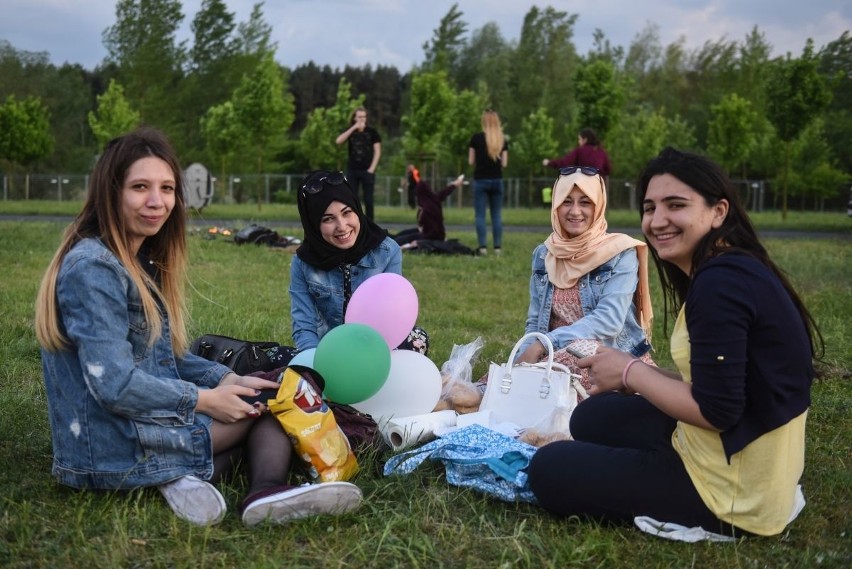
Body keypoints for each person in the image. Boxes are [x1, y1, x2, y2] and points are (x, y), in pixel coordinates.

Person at [34, 128, 363, 527]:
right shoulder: (94, 268)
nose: (157, 202)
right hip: (110, 447)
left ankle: (185, 478)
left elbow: (162, 358)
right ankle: (266, 492)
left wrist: (224, 376)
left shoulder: (137, 259)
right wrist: (204, 400)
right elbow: (115, 384)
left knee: (259, 387)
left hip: (135, 427)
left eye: (167, 188)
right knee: (267, 406)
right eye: (141, 187)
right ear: (111, 191)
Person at [528, 148, 822, 538]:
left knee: (547, 468)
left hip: (732, 493)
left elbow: (718, 410)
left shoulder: (720, 286)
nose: (658, 220)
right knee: (590, 416)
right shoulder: (730, 269)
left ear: (719, 211)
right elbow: (722, 380)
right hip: (728, 446)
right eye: (650, 207)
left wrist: (630, 372)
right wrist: (623, 371)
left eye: (676, 205)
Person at [497, 166, 655, 393]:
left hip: (606, 356)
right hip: (553, 353)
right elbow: (534, 321)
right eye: (566, 201)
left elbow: (608, 321)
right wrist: (525, 352)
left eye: (585, 202)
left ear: (598, 205)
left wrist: (544, 344)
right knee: (498, 386)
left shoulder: (620, 253)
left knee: (552, 381)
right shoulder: (544, 254)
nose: (575, 211)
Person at [290, 170, 429, 354]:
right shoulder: (303, 263)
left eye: (347, 213)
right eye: (328, 219)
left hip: (375, 345)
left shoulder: (387, 251)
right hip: (329, 350)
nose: (342, 226)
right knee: (281, 359)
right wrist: (314, 366)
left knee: (417, 339)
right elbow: (304, 326)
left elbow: (391, 316)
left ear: (357, 209)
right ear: (313, 224)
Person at [468, 109, 508, 256]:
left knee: (480, 215)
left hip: (480, 180)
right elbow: (504, 164)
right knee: (496, 215)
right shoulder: (502, 139)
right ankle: (497, 247)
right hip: (497, 181)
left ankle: (483, 247)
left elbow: (471, 161)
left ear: (483, 121)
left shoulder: (476, 138)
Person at [336, 107, 382, 220]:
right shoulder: (351, 131)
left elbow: (377, 151)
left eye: (364, 117)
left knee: (368, 199)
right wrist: (353, 128)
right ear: (354, 118)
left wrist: (372, 169)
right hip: (353, 170)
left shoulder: (372, 132)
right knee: (352, 198)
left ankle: (370, 223)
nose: (362, 119)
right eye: (359, 117)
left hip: (367, 170)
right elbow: (338, 141)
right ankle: (354, 221)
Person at [393, 175, 463, 248]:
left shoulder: (428, 209)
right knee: (400, 235)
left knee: (399, 240)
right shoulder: (434, 199)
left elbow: (433, 233)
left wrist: (417, 242)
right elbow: (444, 192)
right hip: (427, 232)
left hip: (430, 236)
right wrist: (454, 184)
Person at [542, 128, 611, 178]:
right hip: (597, 184)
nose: (578, 142)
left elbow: (565, 162)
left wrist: (549, 162)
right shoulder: (601, 151)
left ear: (585, 140)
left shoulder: (580, 150)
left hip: (583, 182)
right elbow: (608, 169)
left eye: (579, 139)